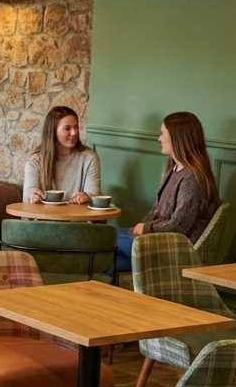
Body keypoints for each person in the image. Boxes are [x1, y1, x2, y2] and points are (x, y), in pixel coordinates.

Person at [114, 111, 220, 272]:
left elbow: (179, 227)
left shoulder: (192, 179)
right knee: (105, 258)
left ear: (177, 138)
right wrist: (140, 227)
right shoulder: (173, 169)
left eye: (162, 133)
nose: (159, 138)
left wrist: (147, 229)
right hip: (157, 241)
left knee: (102, 238)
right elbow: (156, 210)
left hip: (173, 251)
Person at [23, 106, 100, 204]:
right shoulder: (35, 161)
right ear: (53, 132)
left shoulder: (89, 158)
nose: (74, 133)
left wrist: (86, 197)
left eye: (76, 127)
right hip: (43, 218)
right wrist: (32, 197)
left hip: (77, 218)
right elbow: (27, 199)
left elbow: (94, 195)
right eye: (67, 128)